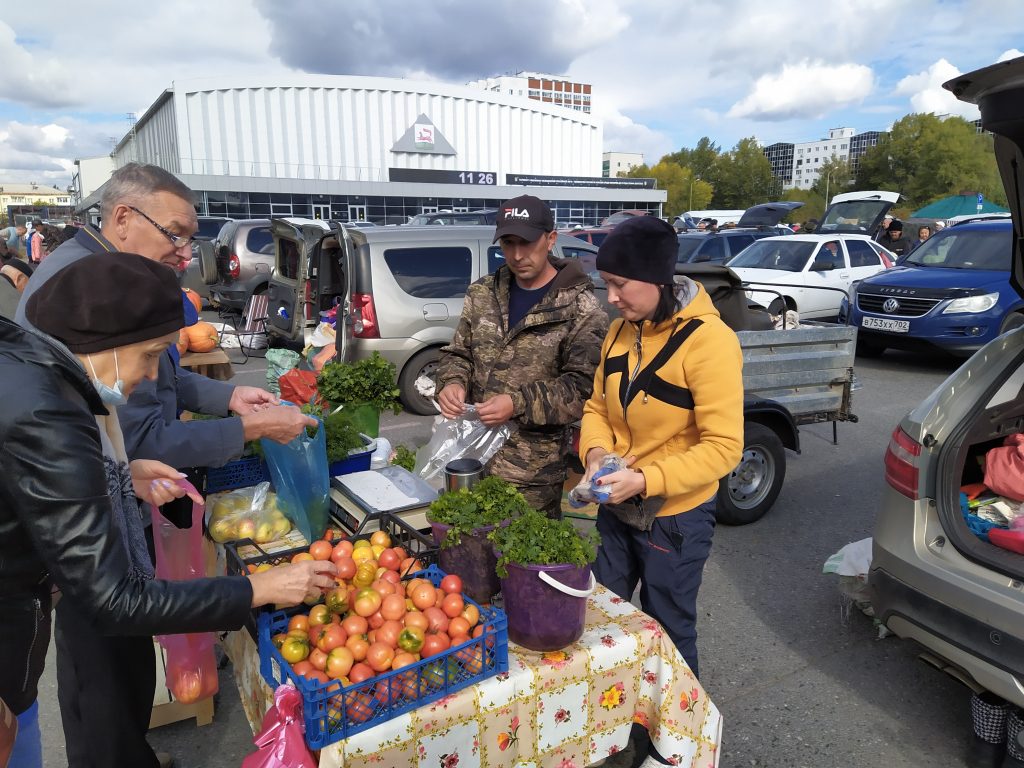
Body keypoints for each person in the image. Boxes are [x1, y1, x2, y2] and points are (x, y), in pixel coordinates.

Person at [1, 252, 337, 768]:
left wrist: (117, 474)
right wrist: (259, 588)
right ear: (104, 345)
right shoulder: (49, 413)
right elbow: (114, 601)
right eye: (151, 355)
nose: (153, 376)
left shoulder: (32, 369)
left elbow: (23, 479)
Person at [16, 163, 312, 475]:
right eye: (174, 234)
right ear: (123, 219)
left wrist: (230, 395)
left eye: (190, 240)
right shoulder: (99, 288)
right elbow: (140, 439)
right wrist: (248, 429)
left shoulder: (97, 267)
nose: (186, 255)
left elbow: (155, 379)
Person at [579, 216, 744, 678]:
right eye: (605, 283)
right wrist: (593, 454)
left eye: (619, 284)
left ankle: (677, 742)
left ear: (656, 277)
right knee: (602, 617)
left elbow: (724, 447)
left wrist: (646, 479)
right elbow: (596, 406)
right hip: (616, 505)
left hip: (675, 519)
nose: (610, 297)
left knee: (668, 628)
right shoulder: (620, 332)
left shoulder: (710, 342)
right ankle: (612, 719)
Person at [435, 195, 608, 516]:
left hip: (531, 475)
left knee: (525, 560)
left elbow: (581, 389)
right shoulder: (483, 293)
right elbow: (458, 353)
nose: (516, 255)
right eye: (508, 243)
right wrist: (452, 382)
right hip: (470, 458)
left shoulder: (581, 309)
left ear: (551, 239)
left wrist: (517, 403)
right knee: (468, 556)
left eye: (526, 243)